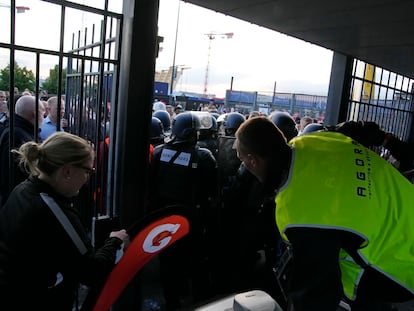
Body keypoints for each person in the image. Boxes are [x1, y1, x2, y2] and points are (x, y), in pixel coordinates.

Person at [234, 116, 414, 311]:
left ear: (252, 161)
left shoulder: (299, 211)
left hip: (401, 267)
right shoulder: (315, 140)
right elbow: (356, 128)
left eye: (242, 160)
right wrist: (390, 141)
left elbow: (314, 295)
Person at [0, 131, 130, 311]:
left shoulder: (23, 189)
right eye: (88, 171)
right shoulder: (53, 210)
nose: (87, 178)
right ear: (67, 171)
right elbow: (91, 272)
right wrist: (116, 241)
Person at [149, 111, 218, 309]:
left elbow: (151, 185)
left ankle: (171, 300)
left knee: (167, 260)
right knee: (193, 261)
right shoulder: (204, 156)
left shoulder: (159, 152)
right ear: (192, 133)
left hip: (163, 217)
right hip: (191, 219)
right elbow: (212, 192)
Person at [0, 95, 45, 207]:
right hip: (18, 201)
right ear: (34, 113)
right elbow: (11, 176)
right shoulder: (16, 136)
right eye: (42, 111)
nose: (44, 116)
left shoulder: (21, 131)